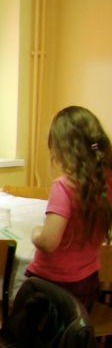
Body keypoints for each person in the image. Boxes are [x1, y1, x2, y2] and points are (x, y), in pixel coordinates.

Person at [27, 106, 112, 312]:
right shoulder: (106, 181)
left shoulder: (64, 186)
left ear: (61, 149)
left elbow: (48, 242)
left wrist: (36, 233)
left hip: (53, 285)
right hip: (88, 281)